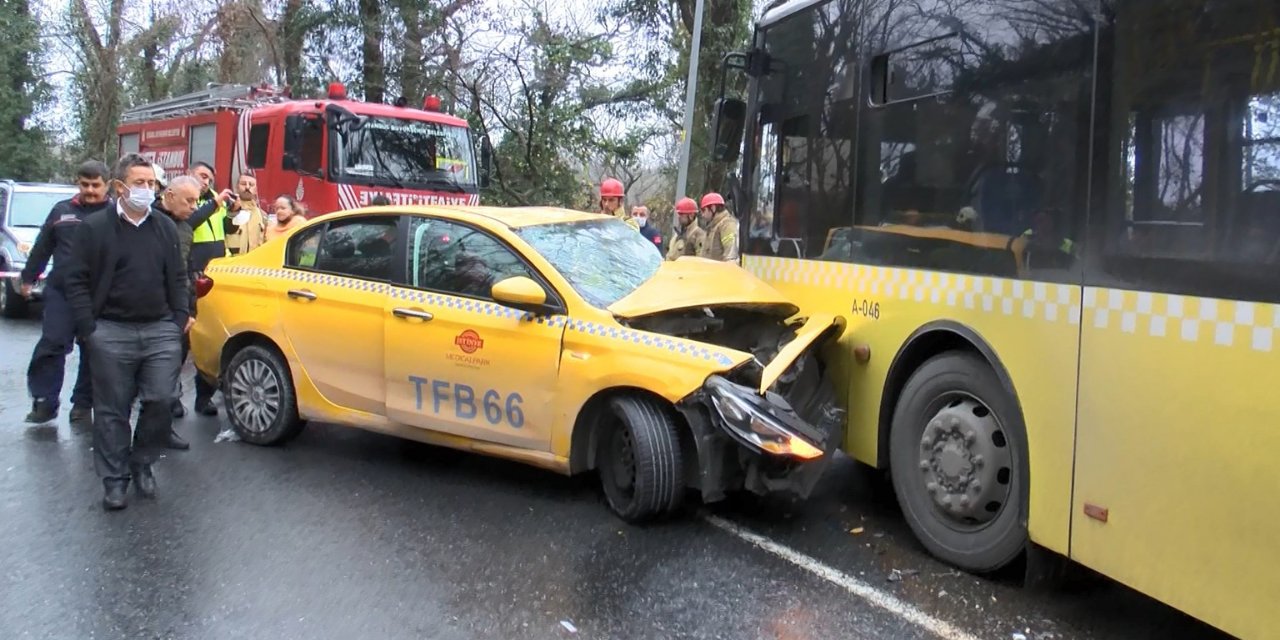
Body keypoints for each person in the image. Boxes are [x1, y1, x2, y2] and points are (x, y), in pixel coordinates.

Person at [62, 154, 190, 510]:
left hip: (160, 329)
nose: (147, 190)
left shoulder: (164, 228)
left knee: (162, 399)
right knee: (112, 410)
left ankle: (142, 461)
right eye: (140, 183)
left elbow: (178, 278)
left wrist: (179, 316)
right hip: (110, 330)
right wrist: (89, 327)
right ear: (120, 187)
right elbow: (75, 279)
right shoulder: (94, 228)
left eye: (151, 183)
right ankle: (114, 479)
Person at [19, 160, 114, 425]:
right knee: (52, 344)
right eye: (85, 184)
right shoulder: (62, 211)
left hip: (98, 295)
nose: (90, 190)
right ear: (78, 182)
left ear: (107, 185)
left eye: (96, 185)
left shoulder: (115, 214)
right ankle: (45, 401)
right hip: (61, 292)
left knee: (94, 349)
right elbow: (42, 246)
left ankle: (83, 404)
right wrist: (29, 277)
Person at [184, 162, 235, 415]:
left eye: (210, 178)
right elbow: (189, 223)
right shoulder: (183, 200)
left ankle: (203, 397)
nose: (207, 182)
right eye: (202, 176)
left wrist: (234, 214)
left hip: (213, 277)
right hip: (189, 276)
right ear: (189, 175)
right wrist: (214, 204)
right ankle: (169, 399)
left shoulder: (216, 199)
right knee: (181, 341)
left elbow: (226, 229)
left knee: (211, 339)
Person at [154, 175, 202, 435]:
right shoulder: (149, 222)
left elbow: (186, 271)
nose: (194, 207)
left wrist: (190, 309)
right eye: (189, 200)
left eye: (197, 201)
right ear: (170, 196)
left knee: (174, 360)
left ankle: (164, 425)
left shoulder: (185, 229)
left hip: (176, 307)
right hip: (148, 307)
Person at [225, 173, 265, 255]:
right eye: (243, 184)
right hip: (231, 264)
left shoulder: (263, 215)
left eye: (251, 184)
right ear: (236, 187)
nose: (247, 187)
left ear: (256, 190)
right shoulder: (226, 210)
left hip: (253, 265)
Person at [698, 192, 740, 262]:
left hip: (719, 272)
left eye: (703, 210)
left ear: (713, 208)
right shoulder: (712, 226)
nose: (702, 215)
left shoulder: (727, 225)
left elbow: (731, 256)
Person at [665, 196, 705, 261]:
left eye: (681, 214)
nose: (679, 217)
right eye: (678, 214)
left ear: (691, 215)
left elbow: (700, 261)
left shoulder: (699, 235)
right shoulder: (677, 234)